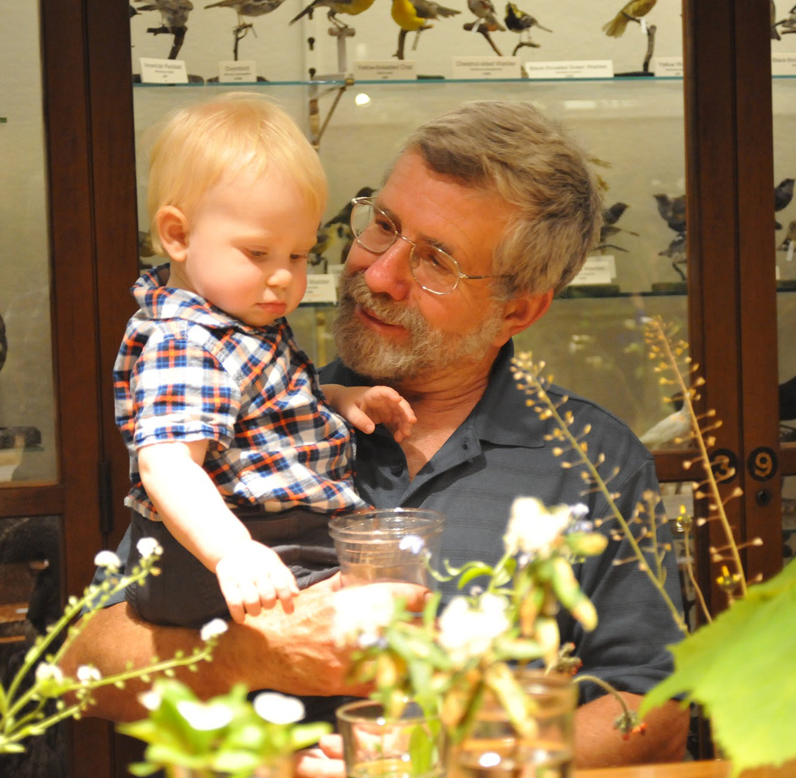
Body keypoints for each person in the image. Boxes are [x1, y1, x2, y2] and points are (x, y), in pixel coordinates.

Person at [63, 99, 689, 769]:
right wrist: (248, 660)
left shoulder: (592, 460)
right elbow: (82, 667)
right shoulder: (256, 415)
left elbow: (650, 709)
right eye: (382, 225)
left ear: (519, 308)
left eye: (436, 262)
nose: (379, 274)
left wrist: (452, 757)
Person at [115, 93, 415, 629]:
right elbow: (167, 465)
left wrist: (342, 398)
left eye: (299, 255)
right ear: (178, 236)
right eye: (258, 253)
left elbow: (266, 404)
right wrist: (233, 551)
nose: (283, 276)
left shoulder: (243, 323)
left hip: (274, 535)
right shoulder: (187, 341)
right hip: (232, 545)